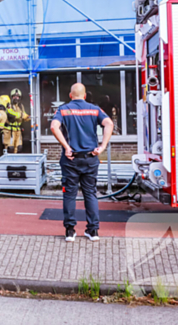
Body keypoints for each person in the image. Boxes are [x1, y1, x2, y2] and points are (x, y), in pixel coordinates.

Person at [50, 83, 114, 243]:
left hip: (71, 159)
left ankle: (70, 232)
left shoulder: (63, 109)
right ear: (85, 96)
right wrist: (102, 147)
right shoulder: (94, 109)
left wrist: (66, 147)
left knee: (69, 195)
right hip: (90, 158)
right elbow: (109, 123)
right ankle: (93, 231)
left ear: (70, 95)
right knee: (90, 193)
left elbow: (53, 126)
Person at [5, 88, 30, 153]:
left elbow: (24, 114)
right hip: (9, 131)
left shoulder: (21, 106)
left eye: (17, 96)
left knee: (19, 148)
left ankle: (15, 162)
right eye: (14, 96)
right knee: (10, 149)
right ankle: (9, 163)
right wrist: (21, 115)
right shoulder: (8, 105)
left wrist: (28, 117)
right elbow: (10, 113)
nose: (16, 98)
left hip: (18, 130)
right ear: (11, 97)